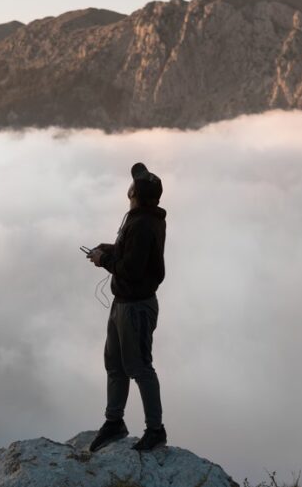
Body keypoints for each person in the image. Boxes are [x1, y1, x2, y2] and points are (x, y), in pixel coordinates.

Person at [85, 162, 167, 452]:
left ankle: (155, 431)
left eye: (134, 184)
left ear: (136, 194)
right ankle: (114, 422)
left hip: (135, 307)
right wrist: (108, 249)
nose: (129, 185)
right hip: (124, 304)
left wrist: (102, 260)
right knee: (116, 365)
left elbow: (130, 269)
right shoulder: (141, 218)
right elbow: (131, 255)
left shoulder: (143, 224)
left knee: (139, 367)